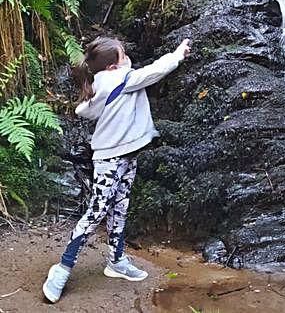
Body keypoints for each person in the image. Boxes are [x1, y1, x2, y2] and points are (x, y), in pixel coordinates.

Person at [43, 36, 191, 303]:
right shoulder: (124, 80)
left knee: (119, 207)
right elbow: (155, 70)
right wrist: (178, 53)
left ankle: (116, 261)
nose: (127, 59)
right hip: (111, 160)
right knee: (98, 211)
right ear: (112, 66)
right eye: (123, 56)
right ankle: (63, 268)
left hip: (124, 155)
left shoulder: (101, 83)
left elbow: (82, 111)